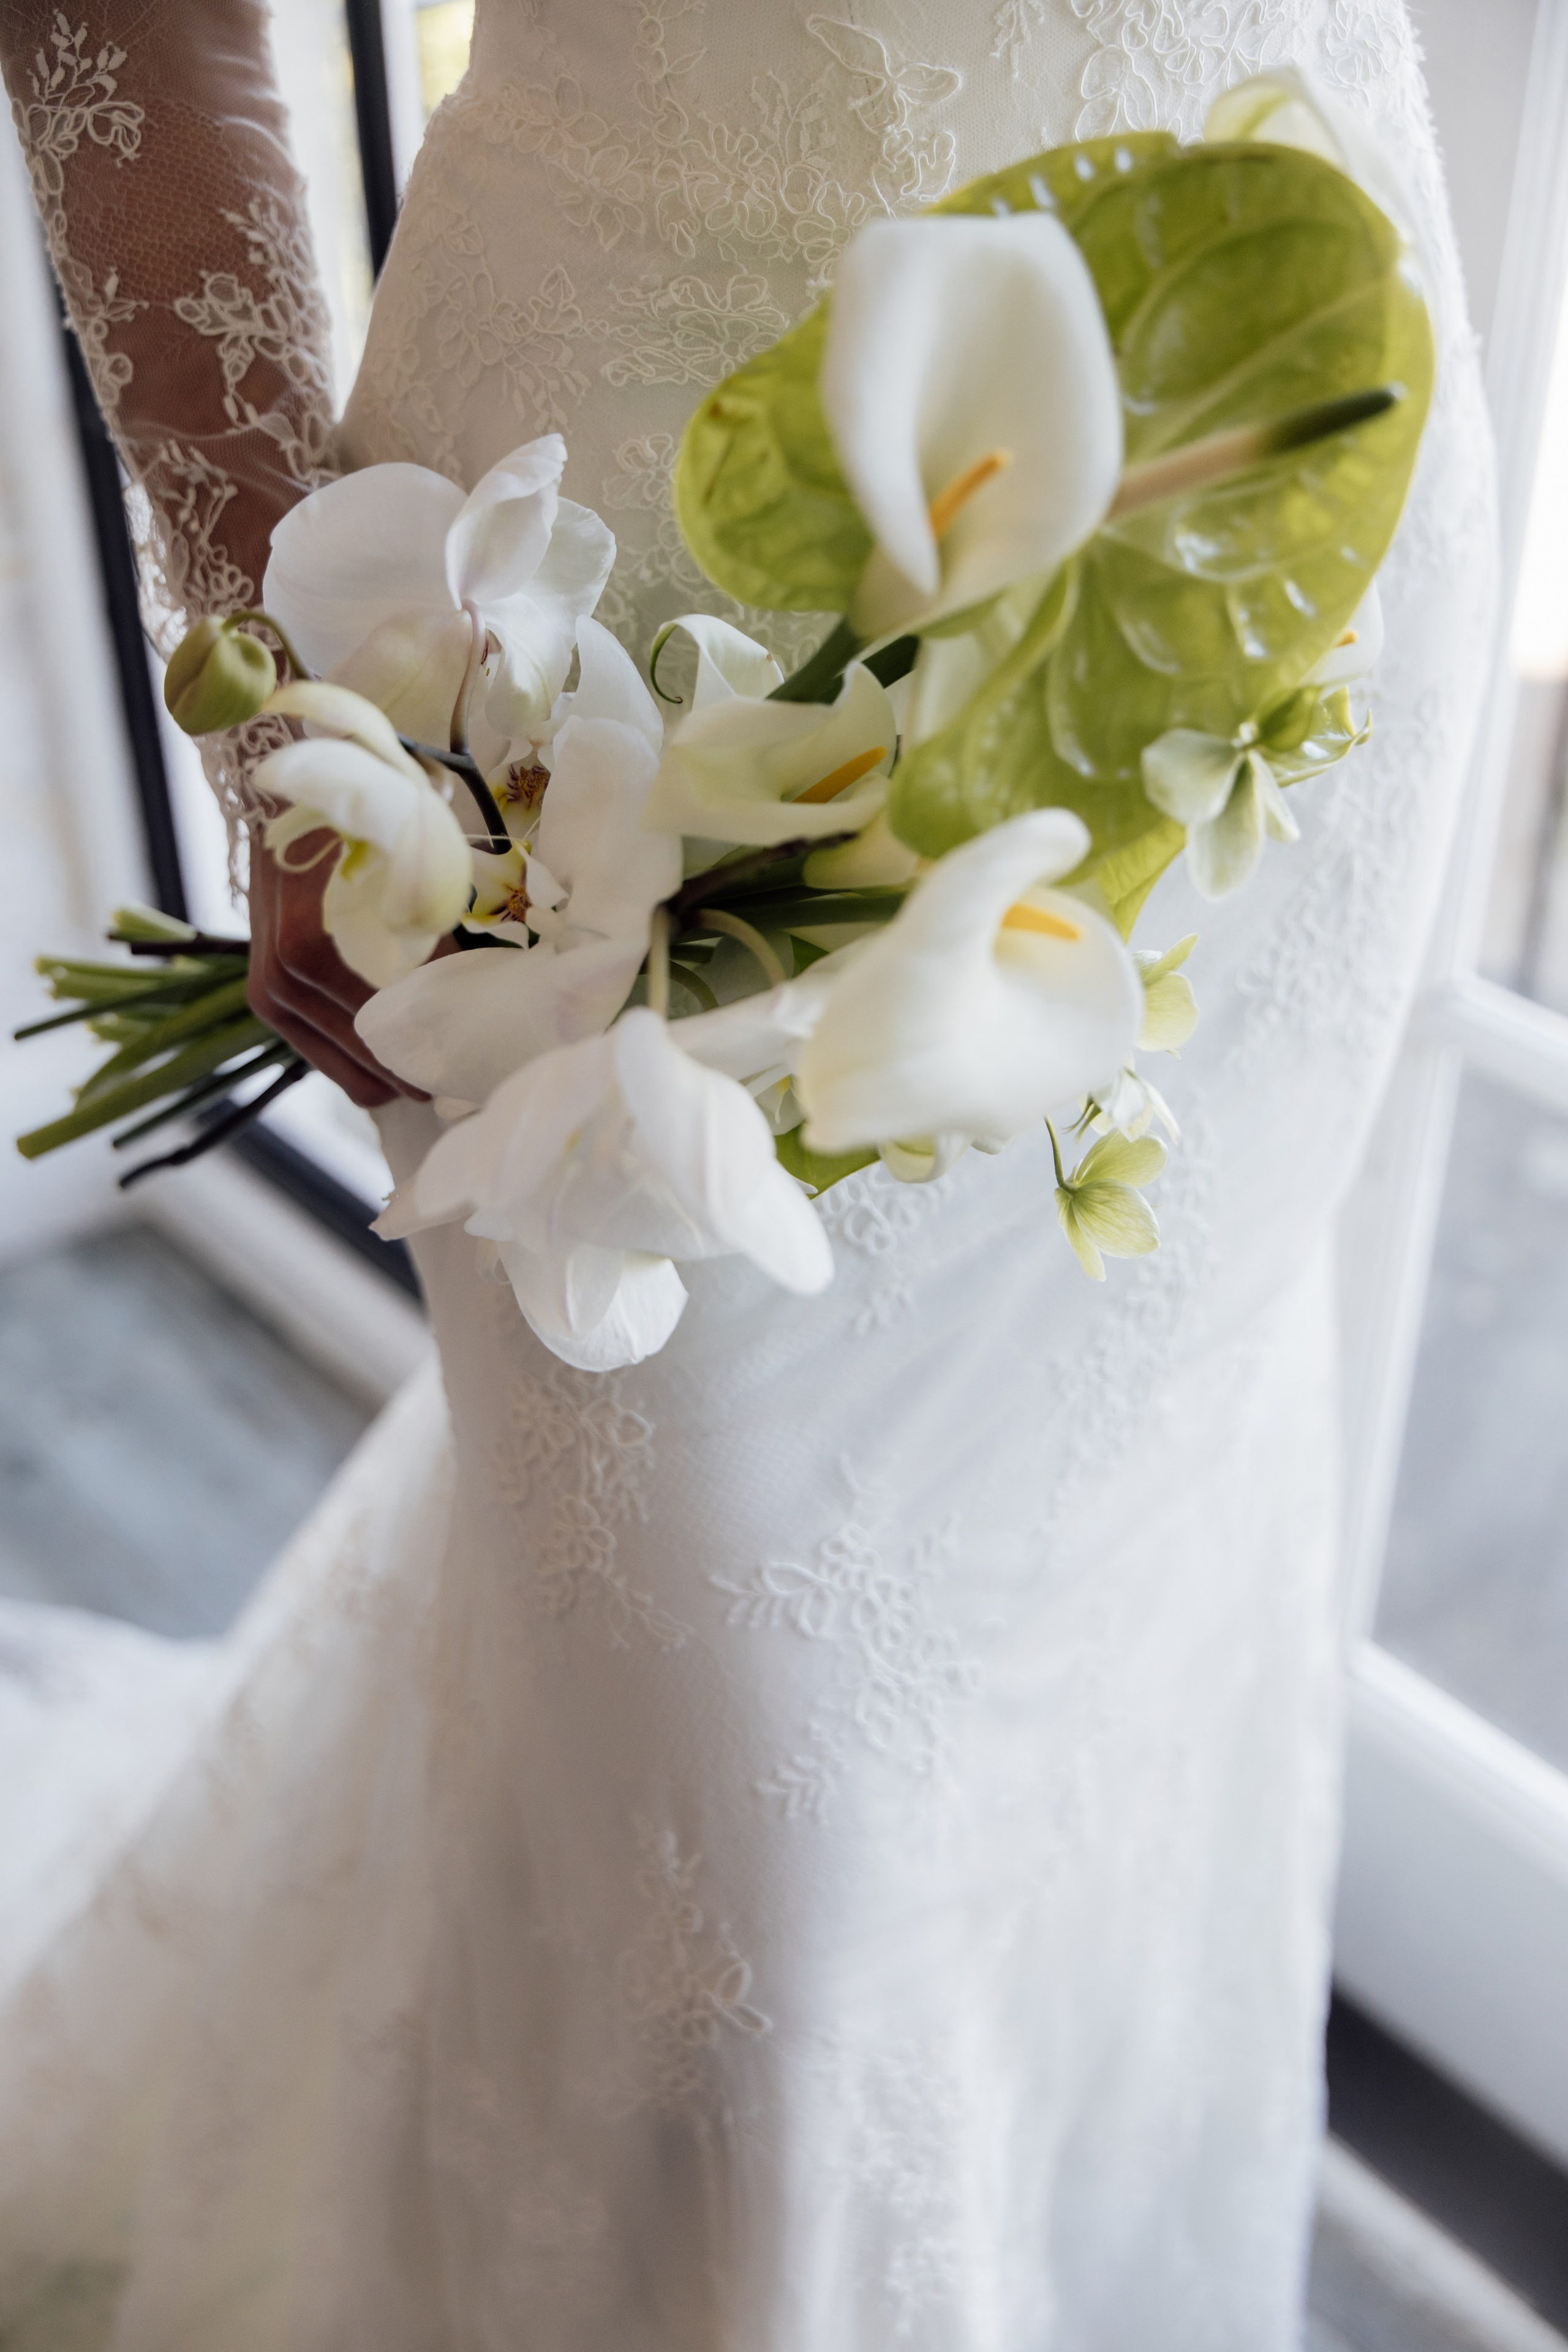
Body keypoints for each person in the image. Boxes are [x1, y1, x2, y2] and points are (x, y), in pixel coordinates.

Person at [0, 3, 1496, 2345]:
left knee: (1120, 1633)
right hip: (598, 628)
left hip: (1283, 502)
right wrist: (294, 684)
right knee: (753, 1870)